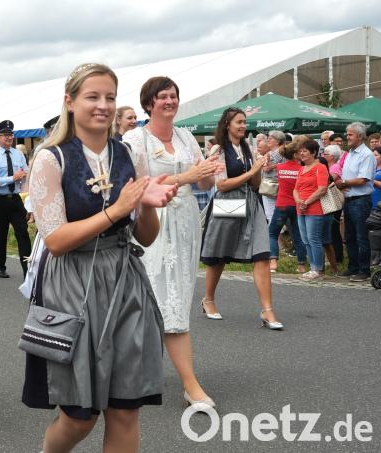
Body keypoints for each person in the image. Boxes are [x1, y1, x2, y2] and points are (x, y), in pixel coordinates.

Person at [22, 63, 176, 453]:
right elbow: (56, 240)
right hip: (71, 281)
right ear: (70, 102)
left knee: (125, 408)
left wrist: (149, 204)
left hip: (124, 278)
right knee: (79, 415)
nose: (103, 105)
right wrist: (116, 208)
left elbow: (145, 234)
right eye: (93, 96)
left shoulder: (128, 153)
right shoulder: (50, 159)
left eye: (110, 97)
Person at [123, 76, 223, 414]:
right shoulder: (134, 139)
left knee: (172, 295)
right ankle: (190, 384)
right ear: (148, 103)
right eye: (162, 96)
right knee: (164, 300)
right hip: (152, 225)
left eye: (174, 96)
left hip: (186, 224)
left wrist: (209, 169)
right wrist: (185, 178)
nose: (170, 101)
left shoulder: (185, 136)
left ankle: (130, 368)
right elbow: (134, 186)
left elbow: (205, 180)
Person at [200, 107, 283, 330]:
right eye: (239, 122)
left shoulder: (249, 148)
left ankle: (267, 310)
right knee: (219, 254)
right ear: (227, 124)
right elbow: (222, 184)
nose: (243, 126)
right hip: (228, 201)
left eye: (245, 122)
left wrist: (258, 168)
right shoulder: (218, 149)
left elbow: (255, 184)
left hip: (251, 201)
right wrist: (251, 170)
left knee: (262, 253)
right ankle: (208, 299)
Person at [0, 119, 31, 278]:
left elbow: (24, 173)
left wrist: (23, 177)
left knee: (22, 232)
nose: (9, 137)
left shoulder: (18, 154)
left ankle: (28, 269)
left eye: (11, 134)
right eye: (5, 135)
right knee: (1, 232)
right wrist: (12, 178)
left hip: (15, 198)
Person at [335, 122, 376, 282]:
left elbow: (363, 180)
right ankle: (353, 267)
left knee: (361, 236)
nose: (347, 136)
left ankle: (364, 270)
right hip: (350, 200)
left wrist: (343, 182)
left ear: (360, 136)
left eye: (350, 134)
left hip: (360, 200)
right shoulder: (351, 152)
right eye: (347, 133)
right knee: (350, 236)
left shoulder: (366, 154)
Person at [268, 143, 307, 273]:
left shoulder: (279, 167)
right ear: (295, 154)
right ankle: (301, 266)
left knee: (272, 233)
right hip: (297, 205)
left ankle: (273, 262)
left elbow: (268, 165)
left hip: (282, 205)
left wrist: (281, 152)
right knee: (298, 235)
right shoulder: (302, 169)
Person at [293, 140, 329, 281]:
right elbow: (296, 189)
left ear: (313, 152)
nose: (301, 153)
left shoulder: (320, 167)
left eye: (305, 151)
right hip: (300, 207)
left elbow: (322, 189)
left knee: (314, 239)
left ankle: (318, 269)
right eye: (300, 151)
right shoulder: (302, 168)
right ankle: (312, 267)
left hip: (314, 208)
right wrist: (298, 200)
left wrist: (306, 202)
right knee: (305, 239)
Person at [260, 131, 287, 222]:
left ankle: (273, 235)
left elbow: (266, 169)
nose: (268, 139)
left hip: (271, 186)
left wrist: (262, 162)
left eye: (271, 138)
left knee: (271, 214)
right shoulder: (283, 151)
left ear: (278, 141)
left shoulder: (275, 153)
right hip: (281, 185)